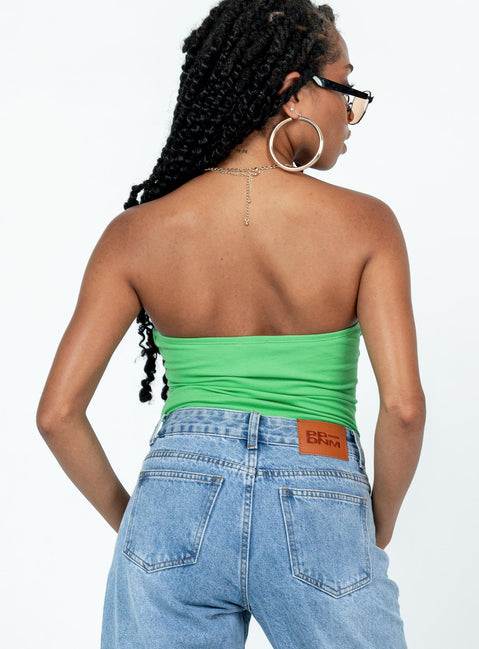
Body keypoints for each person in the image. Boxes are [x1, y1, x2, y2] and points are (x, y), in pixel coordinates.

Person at [36, 1, 426, 647]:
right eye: (344, 87)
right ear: (292, 93)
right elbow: (404, 408)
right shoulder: (367, 225)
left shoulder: (135, 234)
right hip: (318, 477)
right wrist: (373, 523)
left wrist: (138, 523)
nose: (350, 112)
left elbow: (56, 414)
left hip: (175, 488)